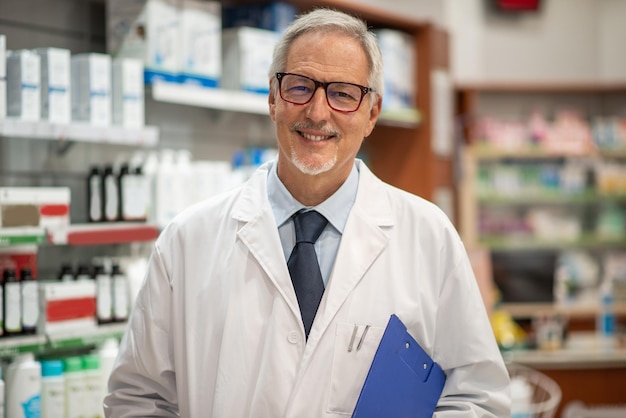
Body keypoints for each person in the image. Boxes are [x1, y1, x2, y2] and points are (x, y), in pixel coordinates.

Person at [104, 8, 511, 417]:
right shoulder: (187, 240)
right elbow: (138, 399)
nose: (317, 112)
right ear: (272, 98)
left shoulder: (429, 237)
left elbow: (477, 397)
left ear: (372, 113)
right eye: (299, 87)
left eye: (343, 94)